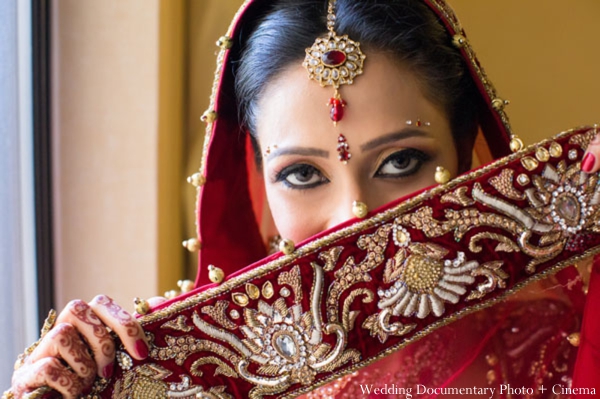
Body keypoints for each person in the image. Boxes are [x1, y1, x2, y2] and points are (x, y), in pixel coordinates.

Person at [6, 0, 600, 398]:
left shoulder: (571, 343)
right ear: (257, 181)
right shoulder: (202, 371)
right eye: (302, 175)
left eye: (400, 162)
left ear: (467, 150)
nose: (354, 216)